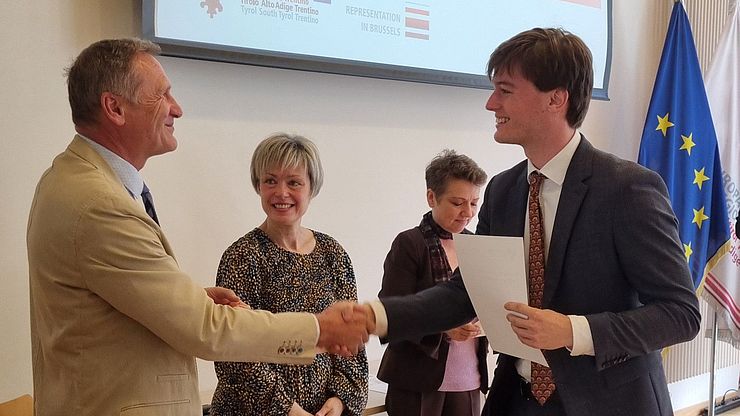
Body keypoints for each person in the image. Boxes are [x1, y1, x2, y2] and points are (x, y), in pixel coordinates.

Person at [362, 28, 701, 416]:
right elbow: (465, 293)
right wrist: (378, 316)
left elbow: (680, 313)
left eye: (505, 90)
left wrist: (573, 331)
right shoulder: (503, 190)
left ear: (556, 99)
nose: (491, 104)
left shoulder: (628, 189)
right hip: (516, 401)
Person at [27, 38, 368, 416]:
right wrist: (318, 330)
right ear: (115, 107)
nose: (177, 109)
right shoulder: (101, 203)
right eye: (163, 95)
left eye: (294, 182)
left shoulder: (75, 180)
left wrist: (191, 299)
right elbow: (208, 330)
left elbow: (118, 301)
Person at [210, 134, 369, 416]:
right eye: (270, 181)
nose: (281, 192)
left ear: (311, 188)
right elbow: (233, 352)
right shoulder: (243, 256)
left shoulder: (334, 253)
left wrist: (340, 399)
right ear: (258, 185)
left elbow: (350, 336)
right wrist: (289, 410)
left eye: (294, 182)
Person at [377, 149, 488, 416]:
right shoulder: (410, 244)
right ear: (431, 197)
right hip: (416, 381)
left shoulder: (479, 246)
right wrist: (443, 328)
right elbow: (391, 312)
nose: (467, 213)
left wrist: (487, 323)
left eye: (474, 203)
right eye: (457, 202)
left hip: (468, 379)